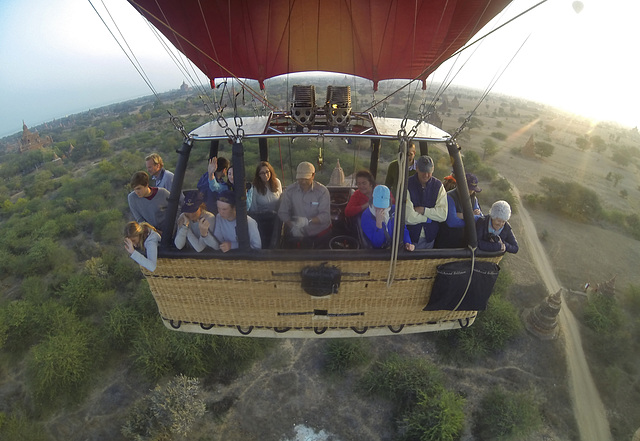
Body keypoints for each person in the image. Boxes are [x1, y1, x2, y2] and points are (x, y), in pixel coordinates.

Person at [278, 161, 331, 248]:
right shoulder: (290, 191)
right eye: (300, 179)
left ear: (313, 176)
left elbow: (325, 216)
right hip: (300, 235)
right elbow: (282, 212)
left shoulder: (322, 192)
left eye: (306, 179)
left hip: (320, 234)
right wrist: (292, 226)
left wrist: (307, 221)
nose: (302, 182)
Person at [405, 155, 447, 249]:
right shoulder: (407, 184)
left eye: (429, 172)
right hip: (410, 239)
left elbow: (443, 215)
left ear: (433, 169)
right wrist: (428, 219)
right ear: (417, 168)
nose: (426, 175)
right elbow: (408, 217)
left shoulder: (438, 186)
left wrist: (423, 211)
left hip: (430, 238)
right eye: (423, 171)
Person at [435, 173, 483, 248]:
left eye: (473, 190)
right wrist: (471, 217)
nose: (471, 192)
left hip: (465, 243)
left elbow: (481, 218)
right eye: (469, 189)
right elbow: (452, 222)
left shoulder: (473, 198)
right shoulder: (449, 197)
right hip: (447, 242)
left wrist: (462, 215)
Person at [360, 185, 414, 251]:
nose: (381, 208)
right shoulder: (366, 216)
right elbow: (377, 244)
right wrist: (379, 225)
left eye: (383, 205)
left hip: (394, 250)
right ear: (372, 200)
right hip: (377, 253)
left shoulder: (394, 210)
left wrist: (407, 242)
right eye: (378, 205)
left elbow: (402, 229)